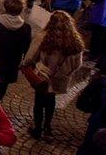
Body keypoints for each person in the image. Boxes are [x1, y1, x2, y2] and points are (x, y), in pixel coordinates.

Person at [23, 11, 85, 139]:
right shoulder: (76, 42)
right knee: (51, 100)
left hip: (43, 75)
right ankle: (47, 126)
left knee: (39, 102)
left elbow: (30, 57)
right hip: (61, 78)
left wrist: (27, 65)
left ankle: (38, 128)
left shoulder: (44, 37)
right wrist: (65, 72)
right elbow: (78, 64)